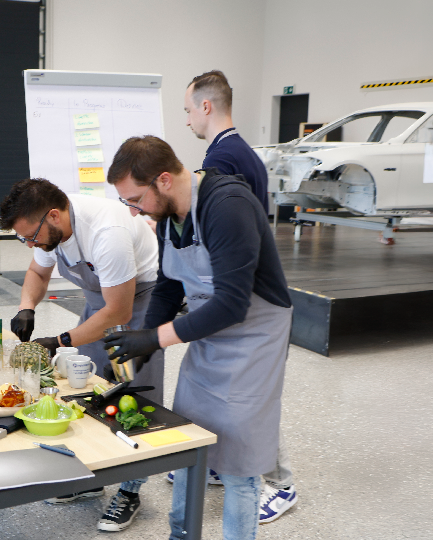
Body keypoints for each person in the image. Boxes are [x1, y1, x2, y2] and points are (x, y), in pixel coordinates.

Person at [104, 135, 292, 540]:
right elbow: (170, 285)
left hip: (253, 338)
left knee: (239, 463)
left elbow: (232, 305)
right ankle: (181, 535)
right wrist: (140, 339)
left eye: (135, 199)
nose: (133, 211)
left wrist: (155, 339)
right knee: (189, 447)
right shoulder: (168, 217)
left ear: (165, 180)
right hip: (209, 333)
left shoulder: (228, 207)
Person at [0, 179, 161, 530]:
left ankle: (131, 490)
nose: (30, 244)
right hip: (100, 301)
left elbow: (119, 312)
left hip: (139, 301)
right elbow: (37, 271)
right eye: (23, 239)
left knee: (133, 398)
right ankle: (93, 477)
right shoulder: (47, 226)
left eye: (31, 237)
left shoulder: (107, 231)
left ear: (53, 216)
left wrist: (59, 340)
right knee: (86, 385)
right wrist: (27, 306)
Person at [185, 70, 298, 523]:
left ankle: (281, 482)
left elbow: (227, 240)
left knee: (252, 403)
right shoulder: (240, 152)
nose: (188, 119)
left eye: (189, 109)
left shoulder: (224, 160)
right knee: (234, 400)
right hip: (245, 294)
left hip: (251, 305)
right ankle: (224, 464)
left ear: (206, 107)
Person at [184, 70, 269, 212]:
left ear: (206, 107)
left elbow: (217, 221)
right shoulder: (248, 153)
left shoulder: (219, 160)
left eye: (188, 111)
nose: (187, 122)